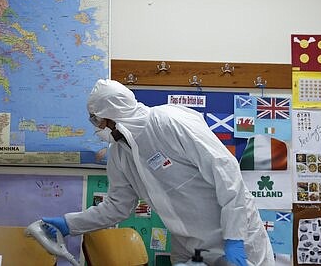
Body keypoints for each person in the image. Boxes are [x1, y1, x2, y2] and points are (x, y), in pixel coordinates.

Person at [42, 79, 275, 266]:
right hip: (190, 248)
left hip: (237, 240)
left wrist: (234, 237)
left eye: (98, 120)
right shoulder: (120, 154)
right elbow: (117, 206)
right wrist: (69, 224)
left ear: (113, 115)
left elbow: (226, 172)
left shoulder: (168, 122)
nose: (97, 128)